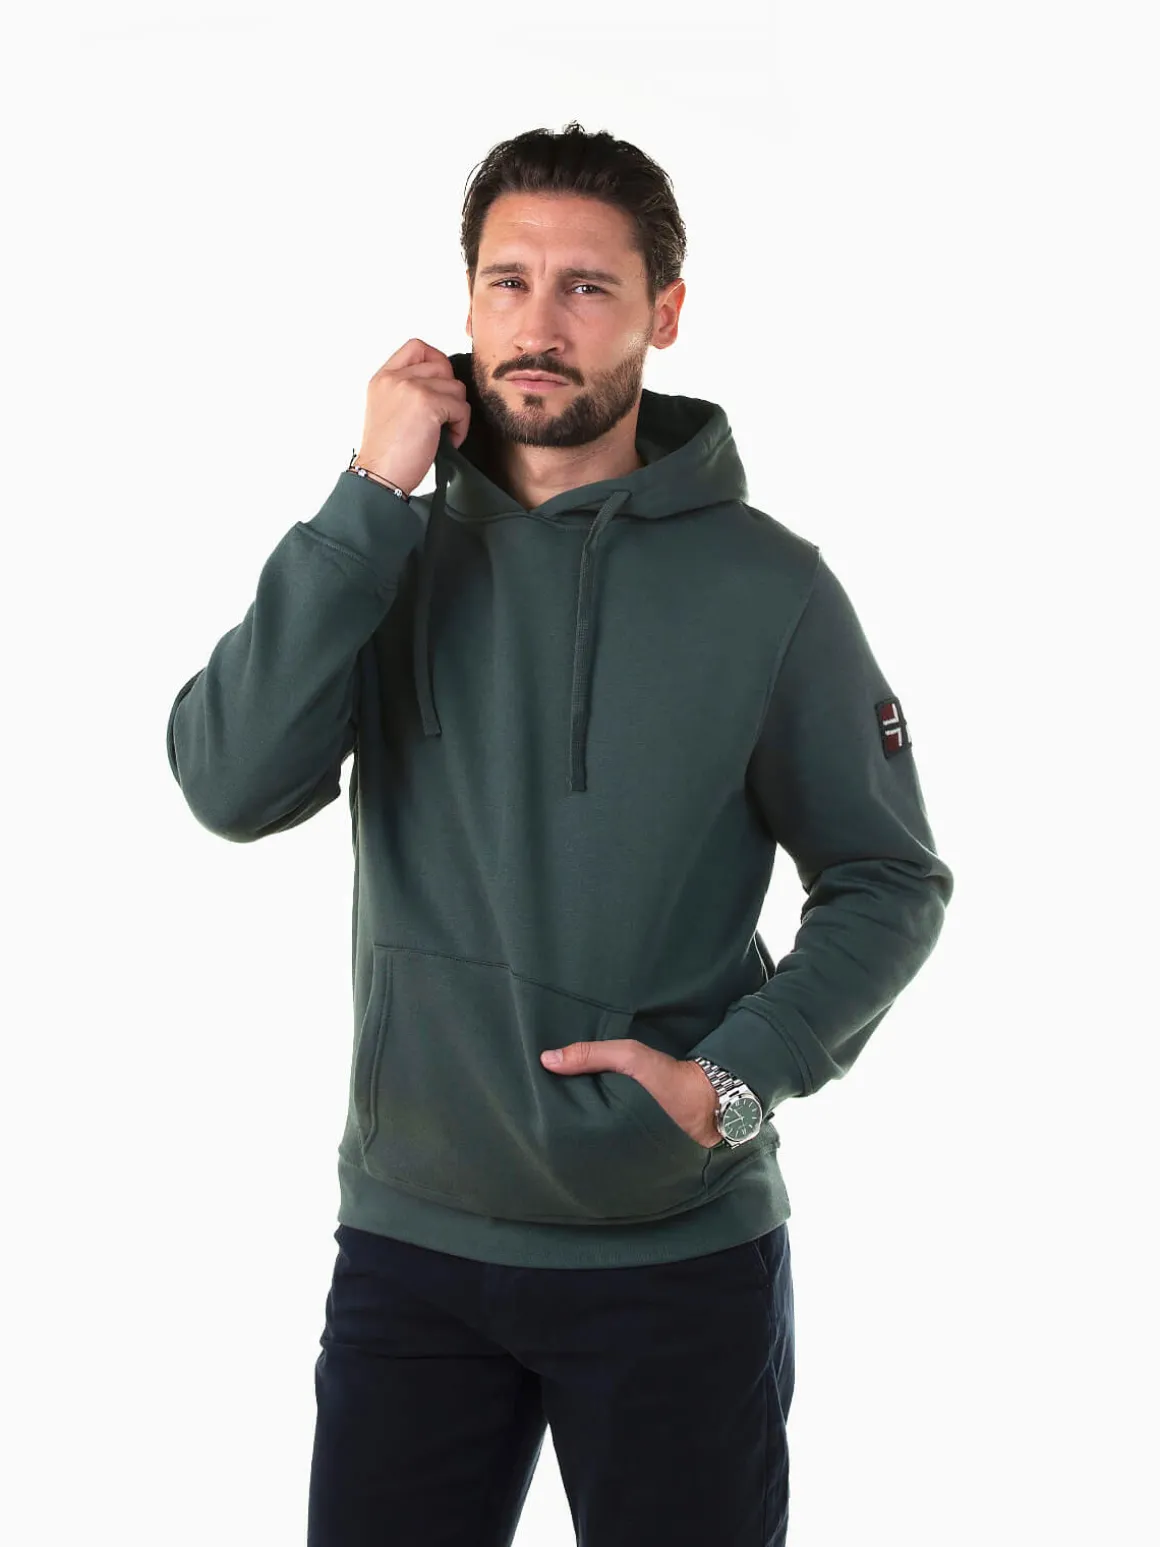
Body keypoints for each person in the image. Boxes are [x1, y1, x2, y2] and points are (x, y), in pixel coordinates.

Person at [166, 121, 954, 1547]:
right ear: (465, 304)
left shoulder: (768, 588)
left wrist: (735, 1081)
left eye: (588, 287)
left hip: (673, 1256)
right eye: (507, 282)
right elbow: (229, 783)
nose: (540, 325)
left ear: (664, 313)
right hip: (409, 1246)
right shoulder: (384, 551)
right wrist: (367, 495)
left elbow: (888, 875)